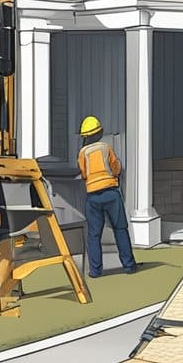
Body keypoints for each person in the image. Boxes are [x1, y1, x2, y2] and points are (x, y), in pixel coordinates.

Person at [77, 115, 137, 276]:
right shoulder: (106, 147)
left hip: (93, 197)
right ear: (100, 132)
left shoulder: (82, 153)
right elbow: (116, 168)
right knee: (120, 229)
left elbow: (83, 173)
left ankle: (96, 271)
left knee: (94, 234)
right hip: (111, 193)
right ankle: (129, 266)